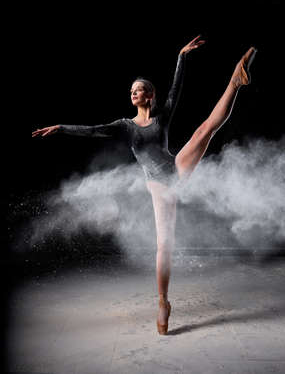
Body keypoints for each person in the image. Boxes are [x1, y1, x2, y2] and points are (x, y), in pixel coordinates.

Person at [32, 36, 257, 335]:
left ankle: (235, 81)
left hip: (176, 170)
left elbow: (177, 88)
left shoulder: (162, 115)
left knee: (205, 130)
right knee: (165, 245)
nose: (135, 93)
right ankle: (163, 301)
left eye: (141, 90)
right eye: (132, 91)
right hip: (159, 187)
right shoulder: (125, 125)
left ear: (150, 95)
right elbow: (94, 130)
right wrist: (61, 128)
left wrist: (181, 56)